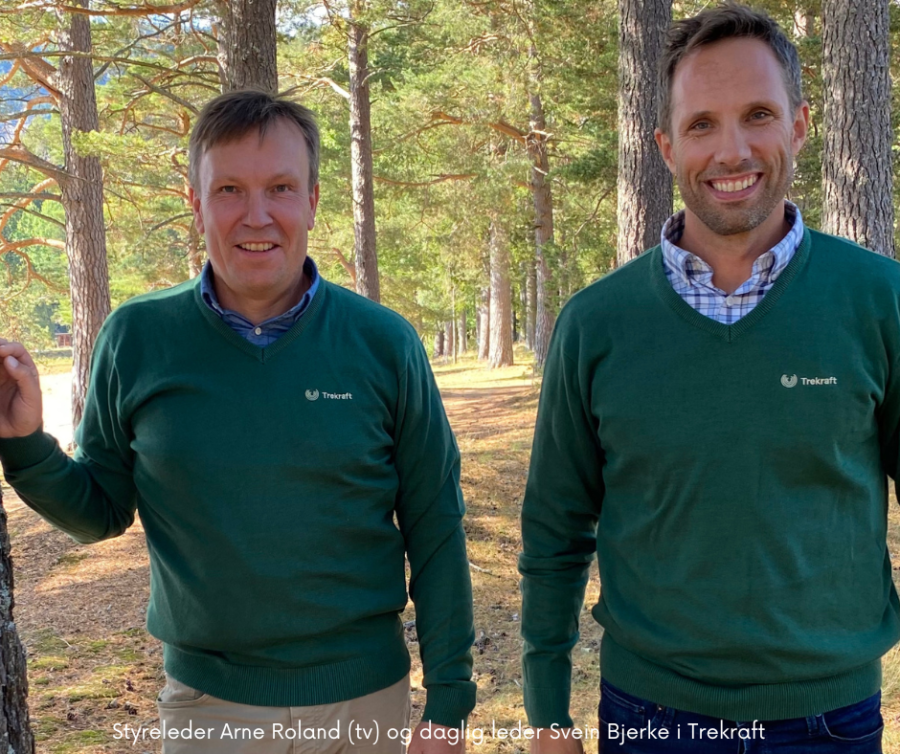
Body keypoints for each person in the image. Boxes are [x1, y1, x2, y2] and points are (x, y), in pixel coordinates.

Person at [0, 90, 475, 754]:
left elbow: (434, 525)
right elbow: (100, 510)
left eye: (280, 187)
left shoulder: (383, 342)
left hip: (365, 704)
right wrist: (25, 445)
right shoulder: (137, 338)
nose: (257, 215)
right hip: (209, 711)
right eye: (229, 189)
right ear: (196, 204)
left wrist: (449, 703)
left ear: (312, 200)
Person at [519, 4, 899, 753]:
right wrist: (548, 715)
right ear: (666, 146)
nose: (732, 150)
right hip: (650, 715)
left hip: (829, 720)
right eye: (701, 124)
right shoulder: (596, 323)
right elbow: (556, 531)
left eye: (758, 115)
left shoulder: (880, 302)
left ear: (799, 126)